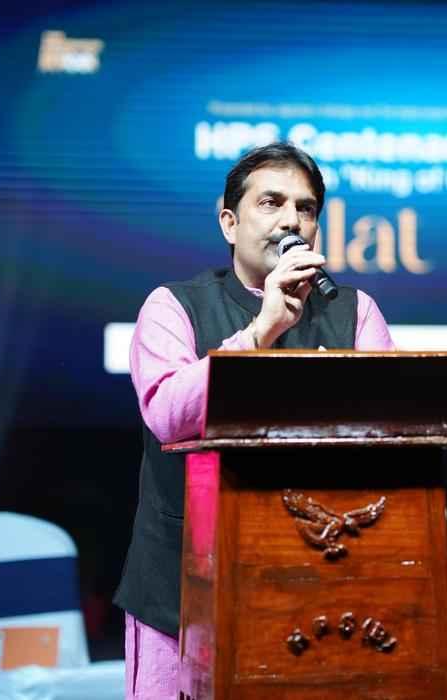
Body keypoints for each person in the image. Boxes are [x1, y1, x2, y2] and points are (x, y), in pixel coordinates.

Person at [113, 142, 395, 698]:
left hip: (317, 592)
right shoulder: (172, 307)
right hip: (182, 593)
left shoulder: (354, 312)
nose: (291, 220)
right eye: (271, 202)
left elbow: (390, 435)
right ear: (229, 222)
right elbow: (168, 415)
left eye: (306, 208)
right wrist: (262, 332)